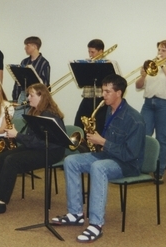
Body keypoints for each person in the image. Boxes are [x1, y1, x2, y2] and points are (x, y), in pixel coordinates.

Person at [52, 74, 145, 243]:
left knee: (98, 167)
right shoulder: (108, 110)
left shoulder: (134, 119)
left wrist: (102, 141)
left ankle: (96, 224)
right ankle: (76, 213)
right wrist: (95, 140)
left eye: (107, 92)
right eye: (103, 91)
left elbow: (131, 154)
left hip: (128, 164)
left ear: (119, 93)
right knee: (70, 161)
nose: (103, 95)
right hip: (107, 156)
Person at [0, 83, 65, 215]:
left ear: (41, 96)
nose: (28, 98)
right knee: (3, 156)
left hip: (52, 151)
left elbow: (43, 142)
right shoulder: (37, 111)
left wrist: (17, 136)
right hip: (39, 147)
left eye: (31, 95)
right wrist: (19, 136)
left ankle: (0, 203)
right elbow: (35, 140)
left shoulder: (48, 115)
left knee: (11, 160)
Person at [135, 40, 166, 184]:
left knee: (162, 139)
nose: (159, 53)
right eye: (159, 49)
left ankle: (159, 172)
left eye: (163, 50)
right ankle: (141, 168)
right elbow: (138, 86)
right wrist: (143, 75)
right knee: (142, 135)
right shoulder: (152, 65)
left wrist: (163, 65)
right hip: (149, 103)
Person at [73, 39, 108, 136]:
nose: (90, 55)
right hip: (87, 98)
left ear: (101, 51)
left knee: (98, 127)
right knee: (78, 124)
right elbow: (80, 84)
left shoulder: (107, 65)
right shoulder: (86, 64)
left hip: (101, 100)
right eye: (89, 52)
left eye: (92, 52)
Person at [11, 36, 50, 118]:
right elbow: (17, 81)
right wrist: (15, 98)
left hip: (36, 96)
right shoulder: (24, 62)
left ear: (35, 46)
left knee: (32, 118)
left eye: (27, 45)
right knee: (18, 118)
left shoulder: (44, 63)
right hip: (23, 95)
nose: (25, 48)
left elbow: (45, 84)